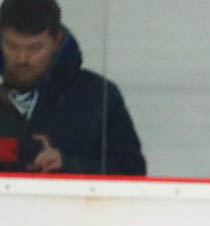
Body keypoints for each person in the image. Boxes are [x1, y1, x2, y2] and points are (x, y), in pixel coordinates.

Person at [0, 0, 145, 175]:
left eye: (35, 48)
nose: (22, 58)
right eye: (12, 46)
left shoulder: (98, 96)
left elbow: (132, 170)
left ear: (57, 41)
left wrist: (67, 164)